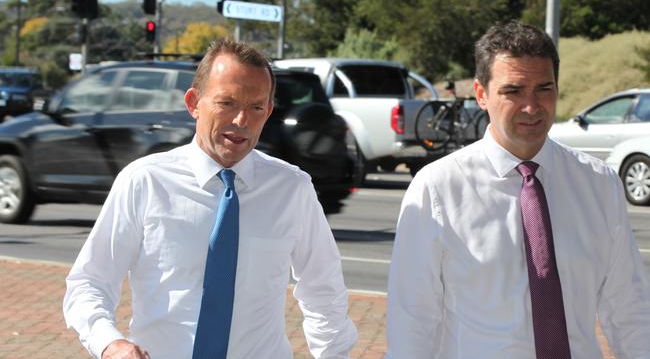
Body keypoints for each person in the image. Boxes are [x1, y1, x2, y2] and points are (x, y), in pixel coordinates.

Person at [63, 39, 357, 359]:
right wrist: (109, 343)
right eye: (227, 103)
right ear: (194, 103)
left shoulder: (292, 189)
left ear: (269, 111)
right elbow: (89, 282)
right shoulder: (145, 181)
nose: (241, 120)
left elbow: (323, 292)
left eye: (256, 107)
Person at [385, 21, 650, 358]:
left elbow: (630, 308)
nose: (531, 106)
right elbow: (412, 319)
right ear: (482, 95)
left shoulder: (599, 184)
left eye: (544, 88)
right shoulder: (438, 189)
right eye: (513, 90)